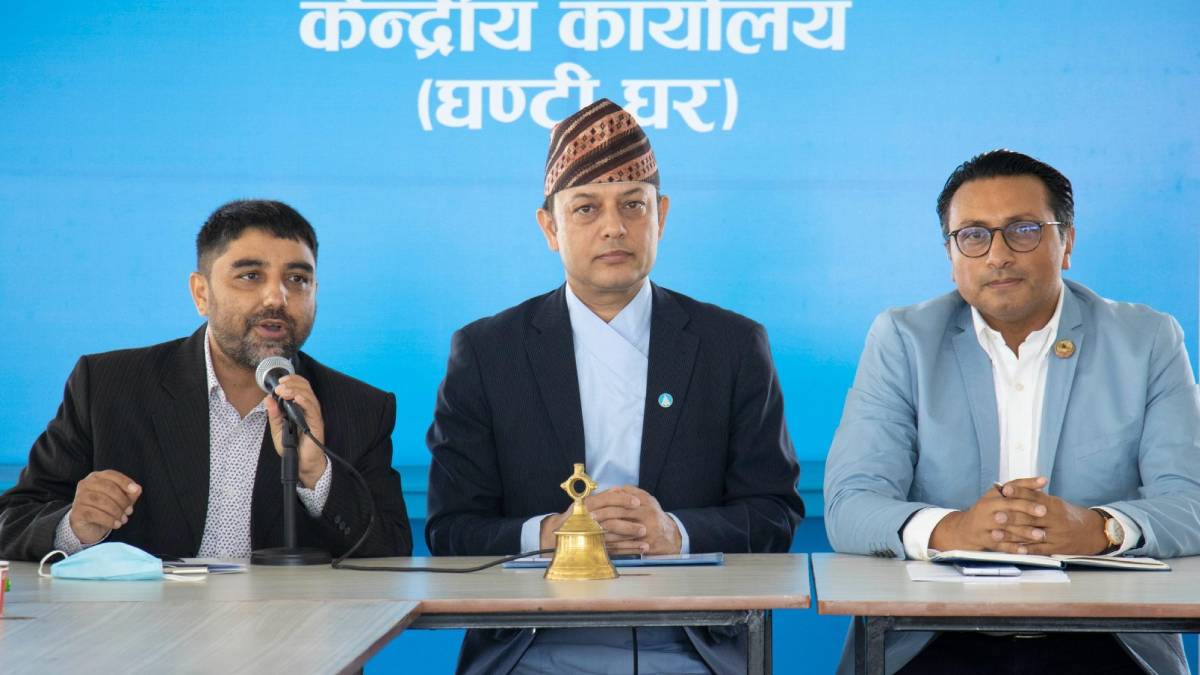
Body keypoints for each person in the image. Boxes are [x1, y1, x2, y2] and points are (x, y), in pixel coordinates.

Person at [425, 98, 804, 674]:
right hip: (535, 641)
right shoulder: (486, 352)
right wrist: (550, 535)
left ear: (663, 216)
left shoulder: (731, 344)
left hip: (694, 643)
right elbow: (451, 530)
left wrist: (673, 533)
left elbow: (775, 513)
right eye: (585, 208)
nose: (613, 226)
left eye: (633, 205)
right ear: (549, 226)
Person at [824, 149, 1200, 674]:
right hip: (932, 634)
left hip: (1105, 635)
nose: (997, 254)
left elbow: (1190, 501)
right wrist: (955, 531)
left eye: (1022, 230)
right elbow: (850, 505)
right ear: (952, 253)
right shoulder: (904, 339)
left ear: (1066, 242)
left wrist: (1099, 530)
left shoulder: (1146, 340)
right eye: (974, 235)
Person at [0, 199, 412, 561]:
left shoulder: (359, 408)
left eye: (297, 279)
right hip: (139, 636)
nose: (276, 298)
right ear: (201, 293)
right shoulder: (109, 387)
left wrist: (317, 476)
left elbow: (391, 554)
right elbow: (12, 521)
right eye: (250, 276)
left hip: (290, 639)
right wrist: (74, 526)